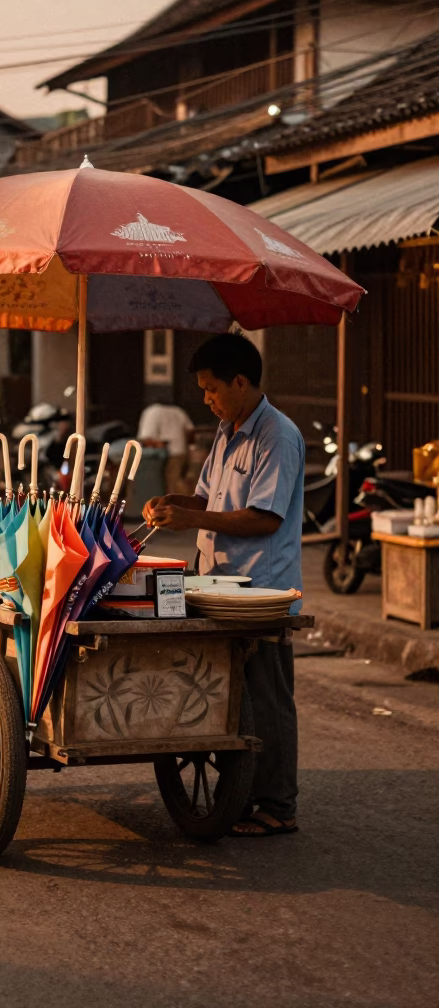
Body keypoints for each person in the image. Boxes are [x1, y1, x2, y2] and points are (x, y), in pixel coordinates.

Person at [143, 331, 304, 839]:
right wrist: (169, 505)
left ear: (240, 381)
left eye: (212, 389)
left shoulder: (277, 436)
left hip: (261, 591)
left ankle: (278, 805)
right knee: (227, 692)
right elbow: (205, 498)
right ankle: (243, 791)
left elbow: (262, 519)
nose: (206, 399)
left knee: (267, 695)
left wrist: (191, 518)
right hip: (217, 583)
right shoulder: (227, 430)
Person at [137, 386, 195, 493]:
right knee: (178, 479)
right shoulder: (178, 411)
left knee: (173, 484)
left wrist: (159, 444)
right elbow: (190, 432)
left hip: (166, 454)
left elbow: (146, 439)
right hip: (181, 451)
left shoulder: (152, 411)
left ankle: (184, 506)